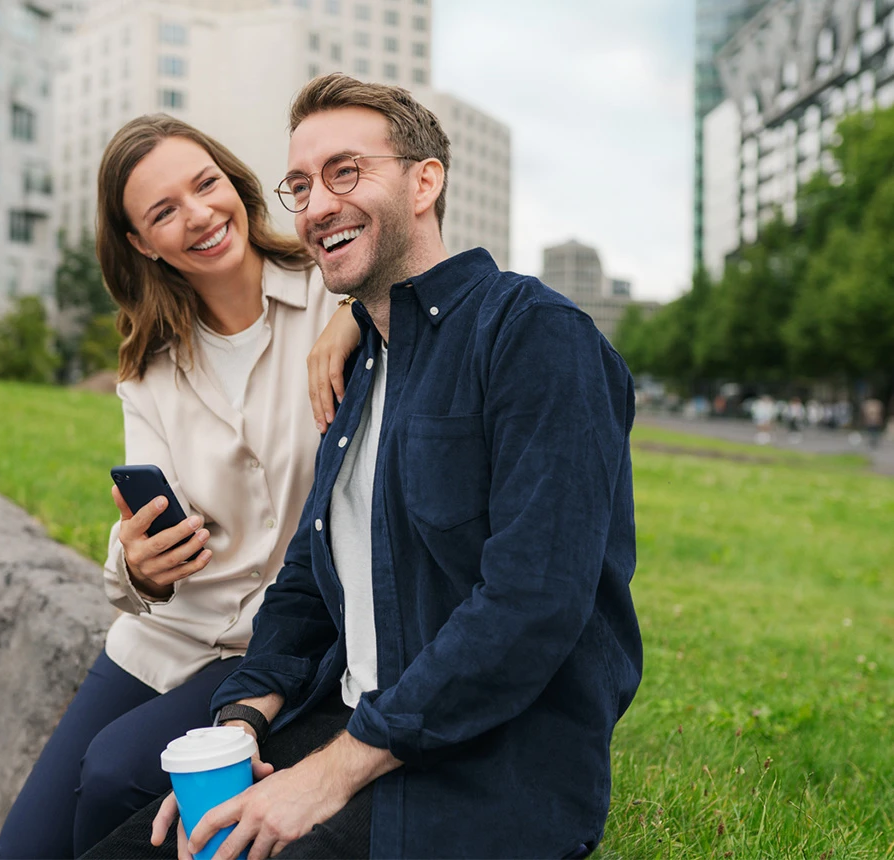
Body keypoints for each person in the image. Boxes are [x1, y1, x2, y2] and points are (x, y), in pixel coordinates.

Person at [86, 74, 643, 860]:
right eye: (301, 186)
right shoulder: (364, 366)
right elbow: (307, 582)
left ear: (425, 181)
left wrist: (328, 774)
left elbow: (532, 605)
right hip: (351, 723)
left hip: (484, 773)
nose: (317, 206)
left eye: (345, 172)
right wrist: (242, 720)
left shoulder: (535, 336)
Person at [0, 116, 362, 859]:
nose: (198, 215)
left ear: (235, 184)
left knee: (112, 776)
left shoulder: (334, 294)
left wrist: (354, 314)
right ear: (140, 243)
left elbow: (419, 282)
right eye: (163, 211)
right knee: (22, 848)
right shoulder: (149, 366)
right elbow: (146, 542)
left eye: (205, 185)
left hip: (277, 642)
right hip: (165, 636)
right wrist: (137, 564)